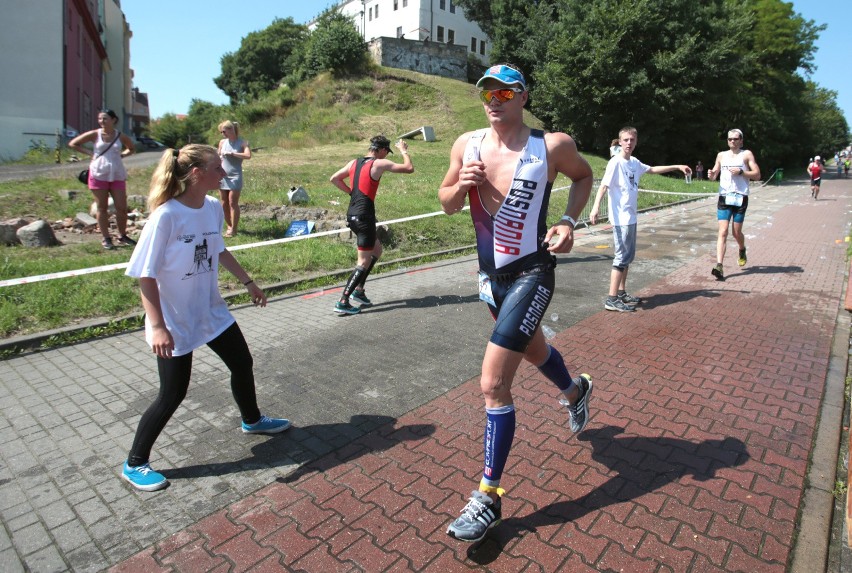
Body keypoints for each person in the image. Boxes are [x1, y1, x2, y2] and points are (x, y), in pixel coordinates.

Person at [438, 63, 594, 543]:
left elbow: (584, 177)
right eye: (487, 91)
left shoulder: (551, 146)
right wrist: (460, 184)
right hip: (491, 279)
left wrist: (568, 221)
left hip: (533, 271)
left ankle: (488, 497)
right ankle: (576, 391)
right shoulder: (467, 144)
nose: (494, 99)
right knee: (533, 349)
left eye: (505, 92)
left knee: (492, 383)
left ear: (523, 97)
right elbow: (445, 202)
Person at [121, 144, 290, 492]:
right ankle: (135, 462)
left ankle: (252, 420)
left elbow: (219, 249)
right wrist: (156, 326)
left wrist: (249, 282)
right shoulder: (166, 216)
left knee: (242, 363)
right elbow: (145, 274)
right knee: (172, 394)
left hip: (210, 311)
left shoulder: (213, 207)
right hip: (175, 321)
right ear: (196, 173)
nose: (224, 174)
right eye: (217, 168)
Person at [589, 127, 692, 312]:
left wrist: (677, 166)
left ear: (636, 142)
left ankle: (621, 293)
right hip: (621, 218)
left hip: (631, 217)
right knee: (621, 258)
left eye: (632, 140)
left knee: (628, 257)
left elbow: (652, 169)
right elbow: (603, 186)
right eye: (626, 140)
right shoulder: (615, 163)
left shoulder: (634, 162)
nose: (629, 143)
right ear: (620, 142)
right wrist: (596, 207)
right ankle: (611, 299)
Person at [329, 135, 414, 315]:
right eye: (386, 152)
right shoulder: (378, 164)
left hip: (352, 215)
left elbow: (334, 178)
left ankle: (359, 291)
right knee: (363, 261)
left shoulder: (354, 162)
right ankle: (343, 300)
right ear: (382, 150)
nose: (386, 156)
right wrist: (404, 151)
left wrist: (352, 193)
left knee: (376, 250)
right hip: (364, 217)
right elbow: (409, 168)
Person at [68, 109, 137, 250]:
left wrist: (121, 156)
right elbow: (73, 143)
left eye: (105, 118)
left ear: (113, 120)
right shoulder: (95, 134)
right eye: (100, 119)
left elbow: (131, 148)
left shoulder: (120, 136)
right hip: (98, 173)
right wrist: (90, 153)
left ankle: (122, 235)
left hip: (117, 173)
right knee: (102, 207)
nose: (102, 121)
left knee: (121, 208)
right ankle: (106, 238)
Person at [707, 128, 761, 280]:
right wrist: (711, 175)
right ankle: (719, 266)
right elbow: (715, 173)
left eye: (735, 139)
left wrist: (742, 172)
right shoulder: (721, 155)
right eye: (730, 139)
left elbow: (757, 175)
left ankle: (742, 248)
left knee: (736, 233)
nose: (732, 141)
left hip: (740, 197)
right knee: (723, 231)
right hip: (725, 197)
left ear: (741, 140)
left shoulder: (746, 154)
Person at [217, 120, 251, 237]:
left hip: (235, 175)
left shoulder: (242, 142)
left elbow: (248, 155)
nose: (223, 134)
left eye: (224, 131)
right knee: (223, 202)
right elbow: (218, 157)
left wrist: (232, 154)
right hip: (222, 175)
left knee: (232, 202)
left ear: (231, 130)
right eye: (221, 132)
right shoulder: (222, 142)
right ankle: (229, 226)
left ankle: (234, 229)